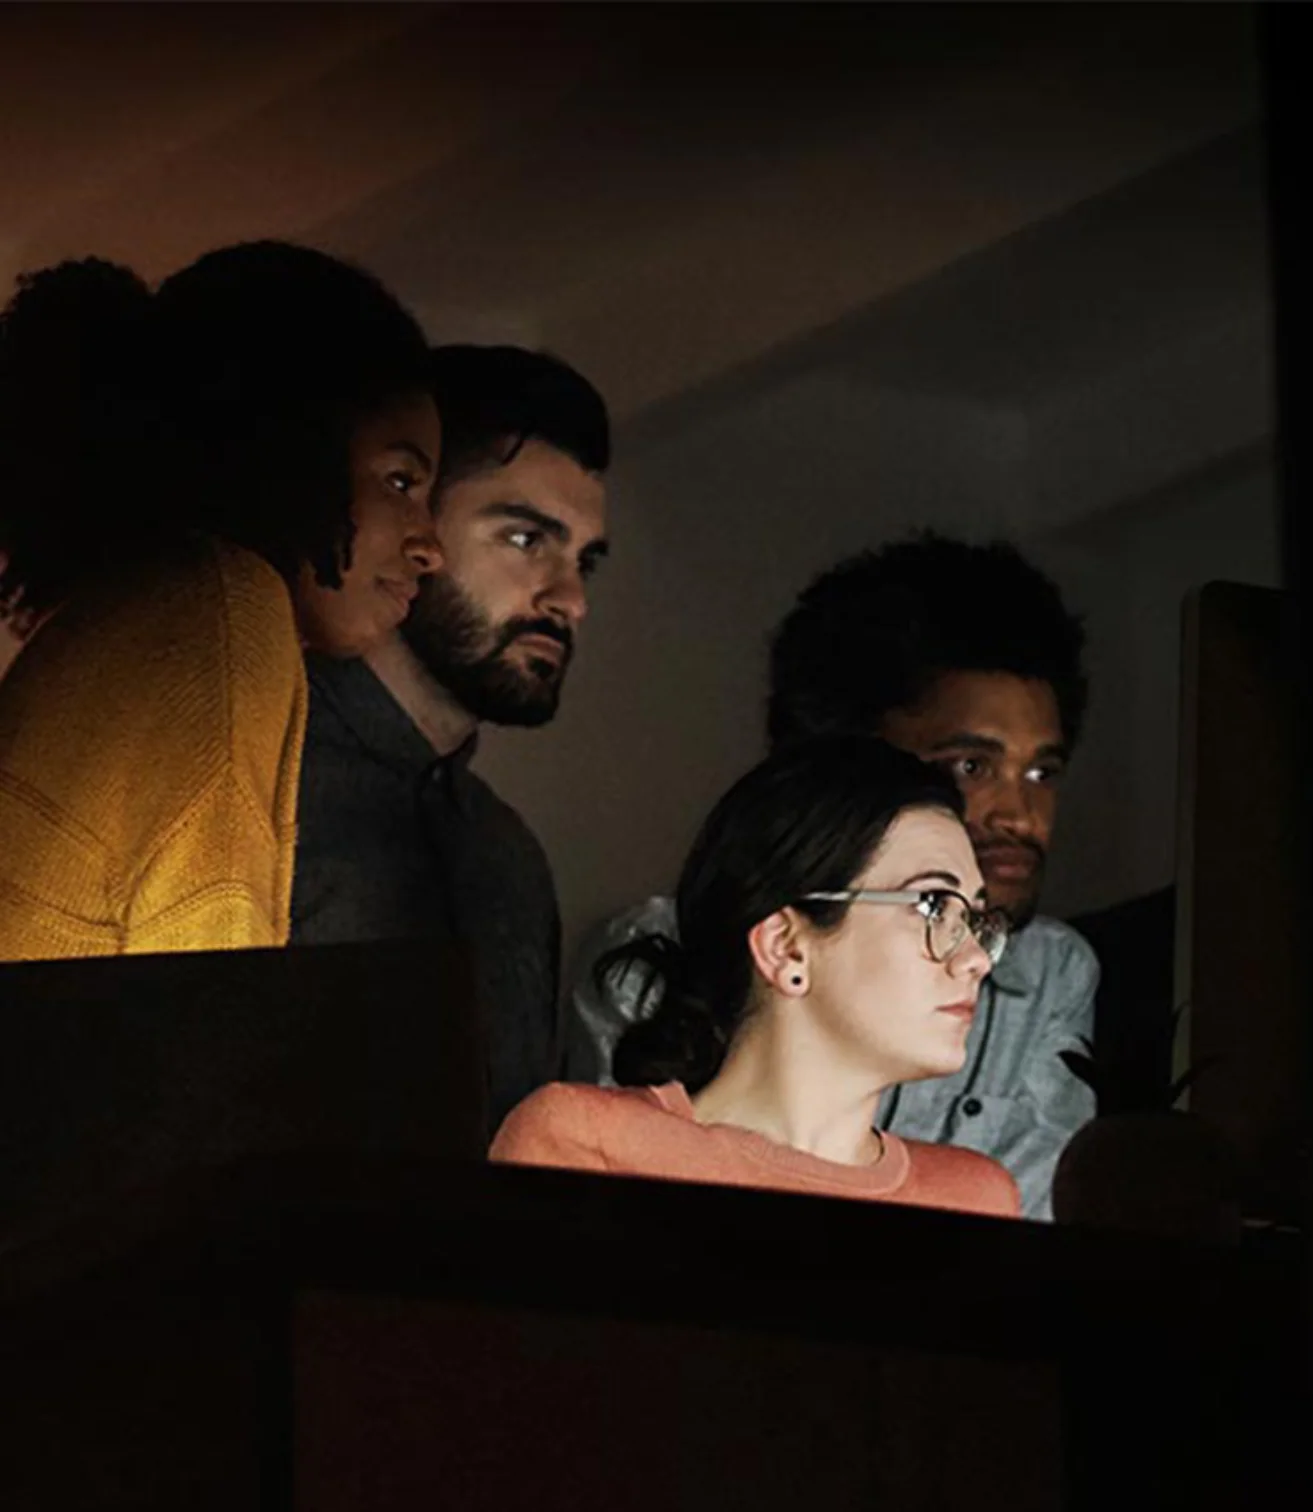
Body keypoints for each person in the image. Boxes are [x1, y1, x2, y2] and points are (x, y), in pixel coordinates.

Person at [567, 532, 1097, 1220]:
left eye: (1042, 773)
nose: (1020, 815)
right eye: (970, 766)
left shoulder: (1051, 973)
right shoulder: (626, 1021)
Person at [0, 242, 442, 961]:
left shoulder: (131, 618)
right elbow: (207, 1027)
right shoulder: (225, 608)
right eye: (401, 482)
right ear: (292, 442)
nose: (431, 546)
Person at [493, 736, 1020, 1219]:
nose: (976, 957)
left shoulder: (975, 1200)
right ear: (785, 947)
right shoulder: (584, 1146)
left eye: (974, 919)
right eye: (932, 906)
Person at [290, 345, 610, 1133]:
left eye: (584, 561)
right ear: (416, 527)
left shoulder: (507, 854)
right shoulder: (253, 782)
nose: (569, 599)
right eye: (527, 540)